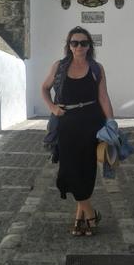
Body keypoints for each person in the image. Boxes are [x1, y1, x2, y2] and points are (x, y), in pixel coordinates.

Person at [41, 26, 114, 236]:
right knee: (69, 171)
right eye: (75, 43)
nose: (79, 46)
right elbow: (44, 88)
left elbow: (103, 97)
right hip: (67, 124)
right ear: (69, 45)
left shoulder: (96, 68)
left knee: (86, 170)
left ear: (89, 46)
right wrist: (53, 108)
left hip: (92, 123)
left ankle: (79, 220)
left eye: (83, 43)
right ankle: (91, 213)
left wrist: (111, 123)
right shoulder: (60, 66)